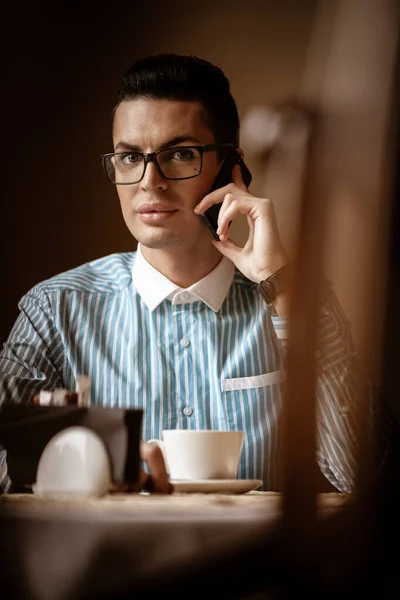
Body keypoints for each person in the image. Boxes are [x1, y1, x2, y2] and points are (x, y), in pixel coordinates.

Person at [0, 54, 362, 494]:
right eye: (130, 157)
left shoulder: (295, 300)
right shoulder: (54, 311)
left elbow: (371, 479)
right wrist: (90, 464)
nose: (150, 181)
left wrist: (281, 286)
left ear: (230, 167)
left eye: (181, 154)